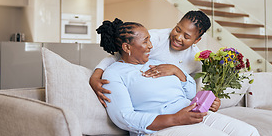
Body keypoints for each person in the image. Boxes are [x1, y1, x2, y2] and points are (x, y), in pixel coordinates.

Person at [97, 18, 272, 136]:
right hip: (156, 130)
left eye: (150, 40)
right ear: (127, 48)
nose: (151, 46)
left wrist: (178, 72)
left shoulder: (156, 62)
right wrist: (175, 118)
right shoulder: (113, 75)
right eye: (146, 41)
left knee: (250, 134)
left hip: (190, 113)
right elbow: (124, 117)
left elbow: (190, 91)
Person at [90, 10, 221, 110]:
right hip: (146, 99)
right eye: (177, 29)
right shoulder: (154, 39)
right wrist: (95, 77)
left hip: (173, 103)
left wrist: (211, 101)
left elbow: (195, 90)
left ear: (196, 40)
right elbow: (118, 56)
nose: (178, 37)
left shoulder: (196, 58)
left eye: (186, 36)